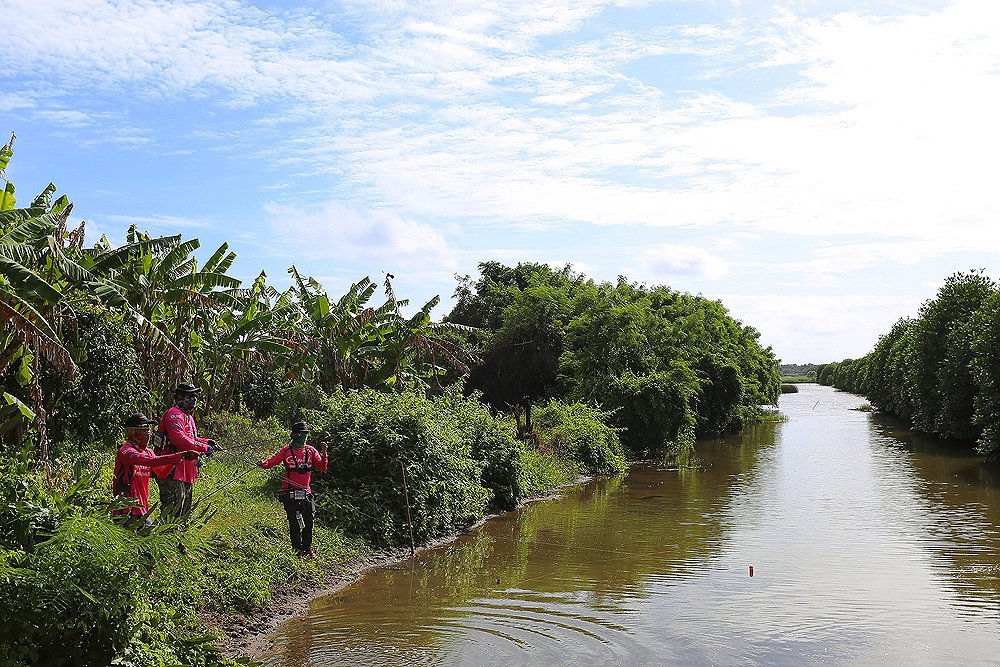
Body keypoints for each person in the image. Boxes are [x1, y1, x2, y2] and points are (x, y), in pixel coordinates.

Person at [112, 413, 198, 526]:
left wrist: (175, 462)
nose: (148, 433)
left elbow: (161, 473)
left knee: (147, 541)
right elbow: (149, 461)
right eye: (143, 429)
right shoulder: (125, 451)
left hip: (142, 510)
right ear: (132, 432)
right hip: (126, 509)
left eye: (148, 429)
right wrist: (178, 456)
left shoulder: (148, 452)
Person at [258, 421, 328, 557]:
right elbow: (271, 462)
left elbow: (322, 467)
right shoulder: (286, 451)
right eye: (303, 434)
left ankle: (307, 549)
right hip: (290, 493)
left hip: (306, 492)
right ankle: (297, 551)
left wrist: (324, 453)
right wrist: (262, 463)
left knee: (309, 521)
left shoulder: (311, 450)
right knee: (294, 523)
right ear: (295, 435)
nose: (305, 437)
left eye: (306, 434)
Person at [153, 383, 217, 517]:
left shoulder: (188, 417)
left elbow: (192, 438)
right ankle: (165, 537)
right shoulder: (174, 414)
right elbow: (179, 440)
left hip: (186, 470)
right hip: (171, 469)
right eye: (190, 396)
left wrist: (207, 442)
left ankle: (179, 536)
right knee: (172, 512)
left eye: (195, 396)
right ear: (179, 397)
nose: (194, 399)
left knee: (184, 511)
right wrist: (204, 448)